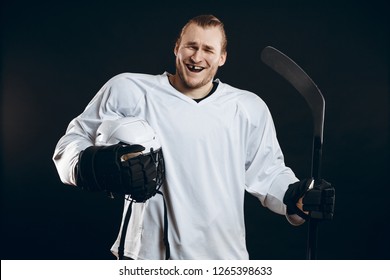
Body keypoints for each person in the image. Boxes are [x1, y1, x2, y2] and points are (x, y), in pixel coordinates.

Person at [53, 14, 334, 260]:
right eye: (191, 46)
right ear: (177, 48)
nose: (197, 57)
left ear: (222, 57)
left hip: (223, 261)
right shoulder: (128, 90)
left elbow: (268, 173)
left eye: (208, 49)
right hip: (147, 260)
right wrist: (94, 165)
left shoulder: (248, 107)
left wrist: (297, 196)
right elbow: (68, 146)